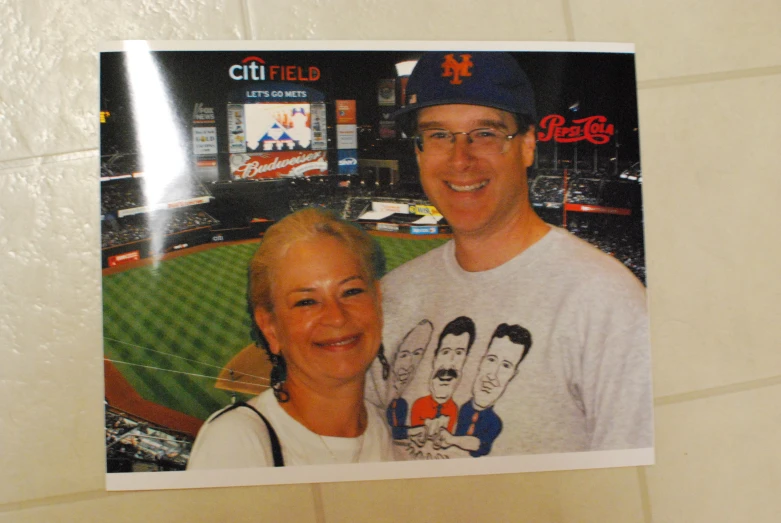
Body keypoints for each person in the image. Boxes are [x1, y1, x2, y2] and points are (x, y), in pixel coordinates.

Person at [367, 51, 652, 460]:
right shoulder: (392, 297)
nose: (460, 158)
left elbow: (635, 488)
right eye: (438, 135)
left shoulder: (604, 302)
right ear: (418, 152)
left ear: (527, 146)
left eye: (485, 133)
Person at [188, 209, 393, 468]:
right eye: (306, 301)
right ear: (271, 328)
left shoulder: (394, 434)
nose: (336, 317)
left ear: (378, 302)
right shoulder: (238, 442)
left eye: (351, 291)